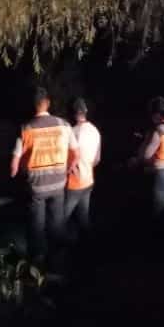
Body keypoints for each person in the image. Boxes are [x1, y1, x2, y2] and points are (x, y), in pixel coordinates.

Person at [10, 87, 79, 263]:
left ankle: (38, 260)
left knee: (36, 224)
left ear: (33, 106)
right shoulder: (64, 125)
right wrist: (70, 167)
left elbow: (14, 163)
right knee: (57, 222)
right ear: (47, 103)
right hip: (58, 183)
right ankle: (57, 259)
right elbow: (76, 153)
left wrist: (15, 174)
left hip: (36, 186)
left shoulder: (26, 128)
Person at [64, 97, 101, 236]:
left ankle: (57, 249)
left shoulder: (72, 132)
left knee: (61, 218)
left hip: (74, 182)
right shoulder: (95, 131)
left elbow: (67, 159)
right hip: (88, 180)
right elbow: (97, 159)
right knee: (83, 216)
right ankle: (88, 245)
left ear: (73, 113)